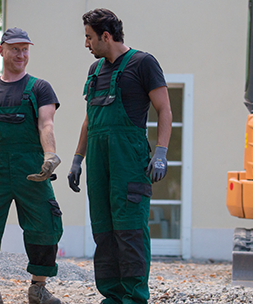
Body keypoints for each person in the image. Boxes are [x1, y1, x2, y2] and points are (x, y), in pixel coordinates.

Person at [67, 9, 172, 304]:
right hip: (99, 161)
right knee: (103, 229)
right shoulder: (95, 70)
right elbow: (90, 118)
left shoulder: (143, 63)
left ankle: (134, 297)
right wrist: (78, 158)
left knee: (130, 231)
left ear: (106, 36)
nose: (86, 43)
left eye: (89, 37)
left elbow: (164, 109)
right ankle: (111, 297)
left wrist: (161, 152)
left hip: (129, 160)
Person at [0, 27, 64, 304]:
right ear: (2, 50)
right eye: (15, 48)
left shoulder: (40, 88)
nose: (21, 54)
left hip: (32, 171)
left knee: (45, 224)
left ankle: (38, 287)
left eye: (25, 48)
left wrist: (50, 155)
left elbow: (46, 123)